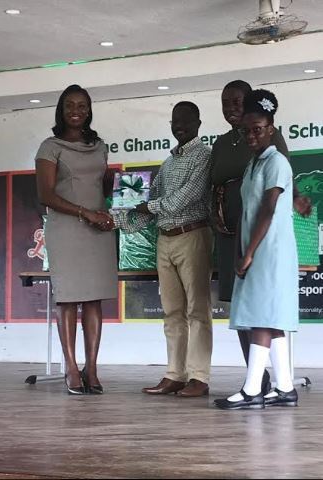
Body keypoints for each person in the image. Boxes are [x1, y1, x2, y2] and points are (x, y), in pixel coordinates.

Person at [211, 80, 311, 394]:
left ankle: (253, 388)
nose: (252, 134)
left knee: (262, 317)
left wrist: (250, 251)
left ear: (269, 128)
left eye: (258, 129)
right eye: (248, 130)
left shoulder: (275, 158)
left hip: (267, 246)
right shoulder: (250, 158)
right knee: (258, 314)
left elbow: (269, 206)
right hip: (246, 242)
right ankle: (283, 386)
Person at [111, 101, 213, 397]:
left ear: (197, 122)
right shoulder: (167, 163)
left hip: (193, 235)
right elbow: (147, 208)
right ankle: (175, 374)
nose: (178, 125)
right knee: (172, 312)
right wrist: (118, 217)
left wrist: (146, 206)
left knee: (198, 311)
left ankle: (199, 377)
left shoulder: (204, 156)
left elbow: (185, 198)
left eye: (184, 120)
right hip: (165, 239)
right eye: (174, 121)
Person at [35, 84, 117, 395]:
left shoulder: (99, 146)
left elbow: (101, 186)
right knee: (68, 298)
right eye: (70, 105)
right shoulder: (49, 146)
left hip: (97, 229)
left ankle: (91, 368)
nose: (76, 111)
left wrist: (124, 190)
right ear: (61, 109)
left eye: (82, 105)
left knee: (93, 298)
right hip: (67, 229)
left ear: (89, 110)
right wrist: (86, 213)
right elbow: (45, 195)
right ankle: (71, 367)